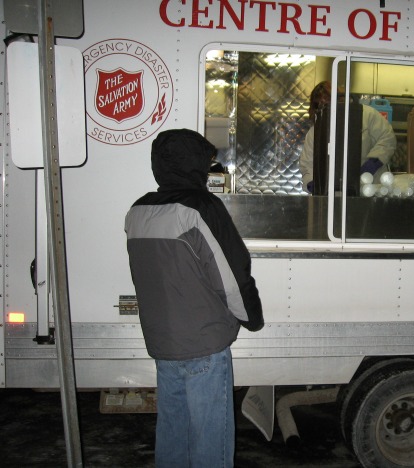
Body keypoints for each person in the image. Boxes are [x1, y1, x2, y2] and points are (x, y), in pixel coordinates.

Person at [125, 129, 264, 468]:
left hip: (163, 344)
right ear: (195, 165)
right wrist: (252, 318)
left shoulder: (137, 211)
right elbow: (231, 274)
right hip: (203, 344)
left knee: (173, 432)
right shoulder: (200, 208)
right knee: (209, 440)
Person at [299, 81, 396, 193]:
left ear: (341, 98)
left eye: (330, 100)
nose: (327, 106)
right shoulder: (316, 131)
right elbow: (307, 164)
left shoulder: (366, 114)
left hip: (372, 188)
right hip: (334, 195)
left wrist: (373, 163)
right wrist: (312, 183)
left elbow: (387, 138)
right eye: (321, 104)